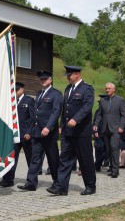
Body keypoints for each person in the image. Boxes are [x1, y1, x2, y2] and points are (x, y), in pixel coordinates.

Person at [46, 65, 96, 196]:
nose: (67, 78)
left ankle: (90, 186)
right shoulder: (68, 89)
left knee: (85, 159)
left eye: (69, 75)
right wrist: (62, 125)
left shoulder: (87, 89)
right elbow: (65, 109)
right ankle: (61, 187)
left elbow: (87, 107)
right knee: (65, 159)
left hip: (81, 132)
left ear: (77, 75)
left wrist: (76, 119)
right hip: (68, 132)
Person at [17, 70, 62, 191]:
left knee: (53, 159)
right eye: (41, 80)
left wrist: (48, 127)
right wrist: (31, 131)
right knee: (34, 159)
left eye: (45, 79)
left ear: (50, 80)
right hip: (37, 132)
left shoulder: (56, 94)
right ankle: (31, 183)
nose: (43, 81)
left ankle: (57, 183)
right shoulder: (39, 94)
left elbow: (55, 112)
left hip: (49, 133)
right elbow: (35, 115)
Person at [0, 82, 35, 187]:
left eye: (16, 90)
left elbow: (33, 118)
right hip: (14, 134)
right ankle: (8, 180)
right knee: (11, 158)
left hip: (25, 135)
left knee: (30, 159)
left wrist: (29, 132)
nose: (14, 92)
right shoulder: (11, 101)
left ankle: (31, 181)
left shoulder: (29, 100)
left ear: (22, 89)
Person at [93, 82, 125, 178]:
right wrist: (96, 124)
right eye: (106, 88)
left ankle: (115, 170)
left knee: (114, 148)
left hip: (115, 128)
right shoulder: (103, 101)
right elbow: (99, 114)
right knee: (108, 149)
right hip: (105, 128)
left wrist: (121, 126)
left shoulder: (120, 100)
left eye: (109, 88)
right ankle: (112, 167)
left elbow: (124, 115)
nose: (107, 90)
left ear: (113, 89)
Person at [93, 95, 109, 172]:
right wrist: (95, 132)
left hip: (107, 133)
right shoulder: (97, 112)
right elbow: (94, 122)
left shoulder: (109, 111)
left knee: (107, 150)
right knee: (99, 149)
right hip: (98, 133)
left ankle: (104, 162)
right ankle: (97, 165)